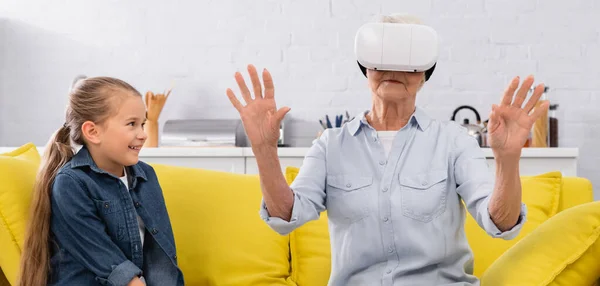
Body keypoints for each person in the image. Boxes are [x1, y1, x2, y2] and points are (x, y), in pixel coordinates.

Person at [226, 14, 549, 285]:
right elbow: (285, 216)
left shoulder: (454, 142)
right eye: (382, 60)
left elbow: (501, 224)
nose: (394, 70)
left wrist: (508, 160)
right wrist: (264, 151)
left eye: (408, 63)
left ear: (424, 75)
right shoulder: (331, 145)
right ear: (365, 67)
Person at [18, 77, 184, 286]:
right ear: (93, 132)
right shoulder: (71, 183)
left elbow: (161, 252)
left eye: (142, 124)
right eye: (132, 124)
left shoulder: (146, 176)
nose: (142, 134)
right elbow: (104, 258)